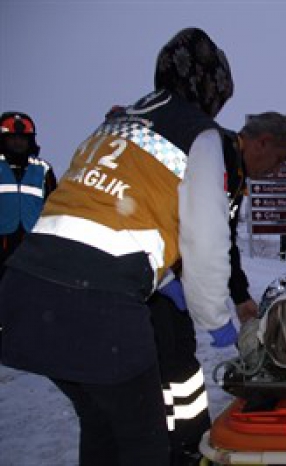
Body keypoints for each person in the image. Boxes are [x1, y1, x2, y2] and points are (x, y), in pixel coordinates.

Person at [0, 28, 236, 466]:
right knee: (142, 441)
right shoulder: (199, 134)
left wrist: (161, 277)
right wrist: (215, 316)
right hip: (97, 308)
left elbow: (108, 214)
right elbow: (205, 239)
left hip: (25, 292)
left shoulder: (115, 123)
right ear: (212, 89)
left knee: (102, 425)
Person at [150, 113, 286, 465]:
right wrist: (214, 315)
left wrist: (241, 296)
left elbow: (227, 240)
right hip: (151, 277)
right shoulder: (215, 157)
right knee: (168, 371)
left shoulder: (234, 173)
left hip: (164, 276)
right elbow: (207, 240)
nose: (275, 172)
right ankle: (177, 448)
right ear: (262, 142)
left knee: (179, 363)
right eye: (277, 160)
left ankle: (185, 443)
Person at [0, 112, 57, 352]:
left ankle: (31, 343)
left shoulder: (42, 170)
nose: (18, 142)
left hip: (32, 245)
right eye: (12, 137)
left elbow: (54, 205)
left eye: (23, 138)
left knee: (30, 294)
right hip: (2, 243)